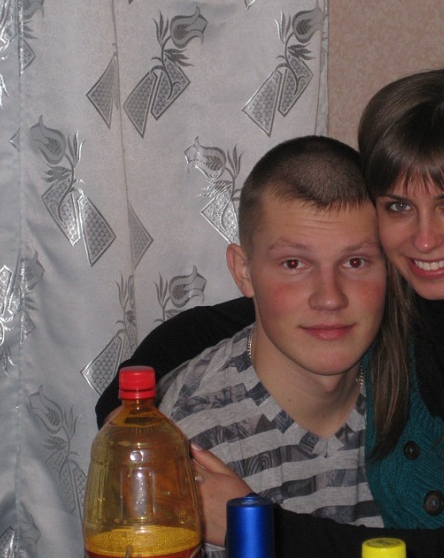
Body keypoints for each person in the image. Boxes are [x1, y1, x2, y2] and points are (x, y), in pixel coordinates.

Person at [97, 66, 444, 556]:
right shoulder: (396, 314)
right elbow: (244, 312)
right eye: (399, 206)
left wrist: (254, 525)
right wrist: (129, 415)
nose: (425, 238)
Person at [153, 135, 386, 556]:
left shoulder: (421, 403)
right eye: (294, 264)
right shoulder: (190, 440)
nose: (330, 298)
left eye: (356, 262)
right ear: (244, 272)